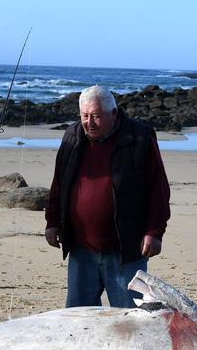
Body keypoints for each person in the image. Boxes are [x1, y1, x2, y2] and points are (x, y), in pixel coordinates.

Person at [45, 85, 171, 307]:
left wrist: (154, 231)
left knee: (131, 321)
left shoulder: (139, 137)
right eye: (85, 116)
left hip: (125, 249)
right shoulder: (72, 136)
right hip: (81, 248)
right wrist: (53, 222)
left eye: (96, 116)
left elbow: (158, 189)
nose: (89, 122)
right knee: (78, 319)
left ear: (113, 114)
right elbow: (59, 184)